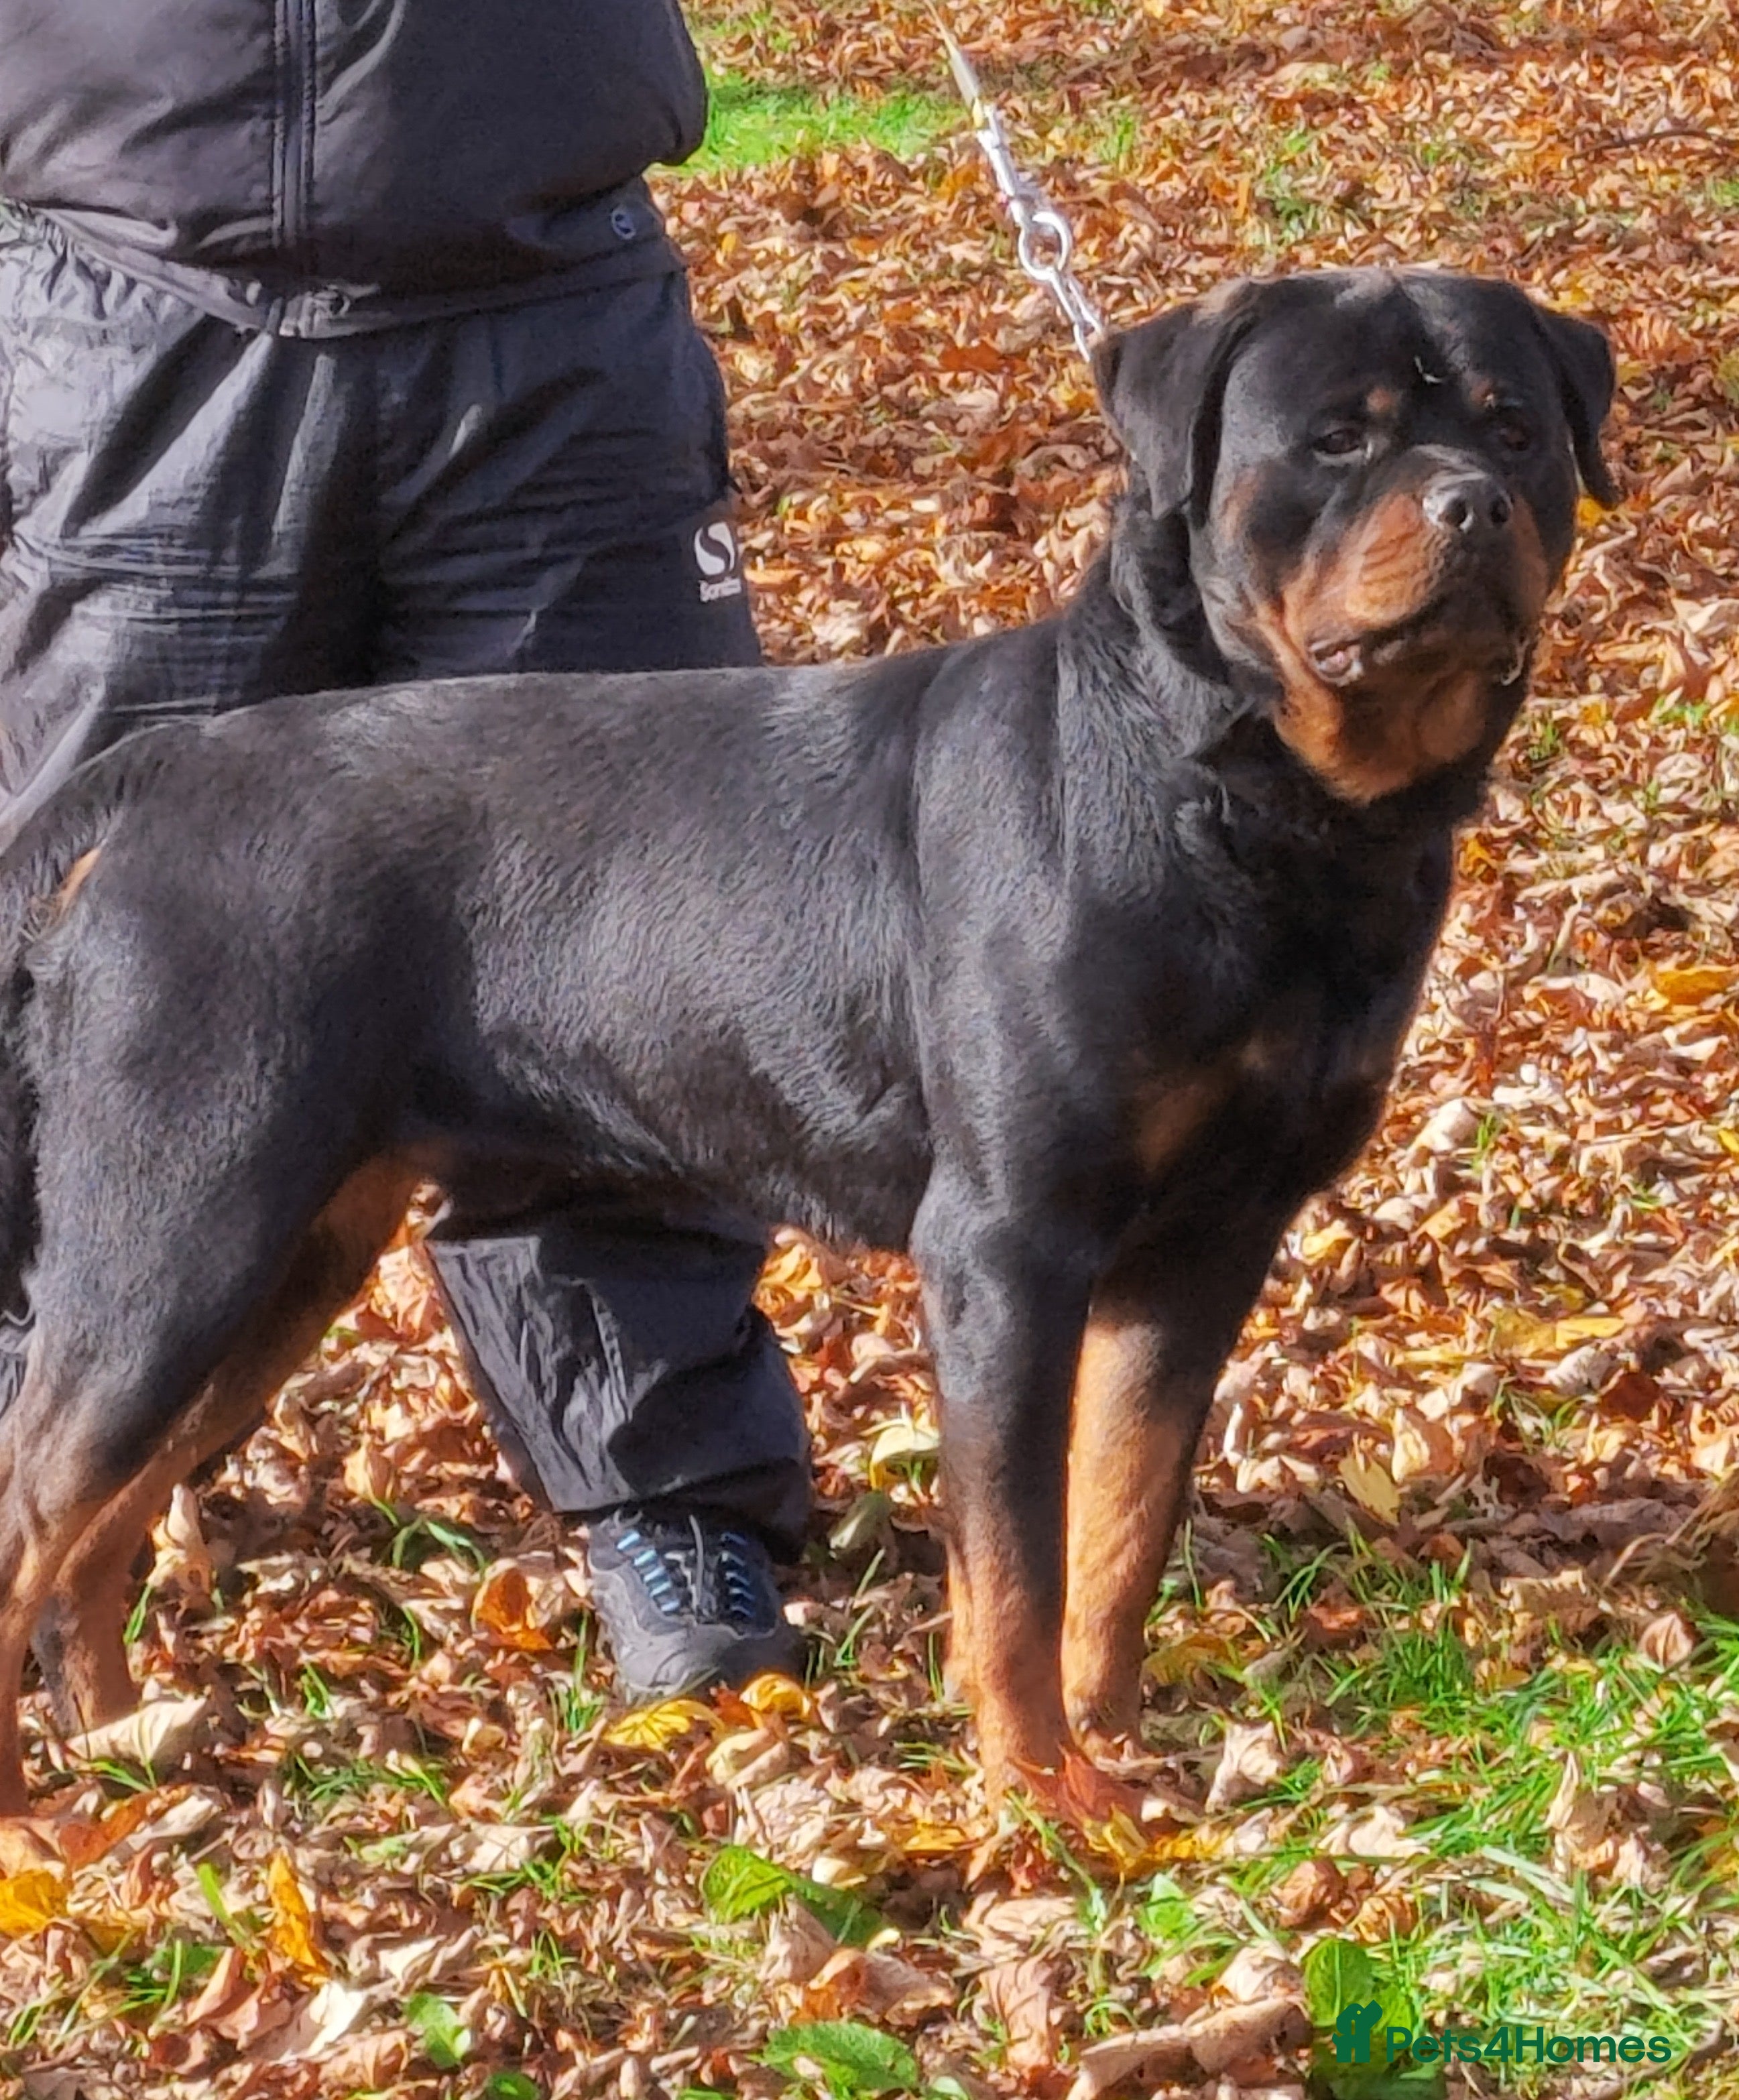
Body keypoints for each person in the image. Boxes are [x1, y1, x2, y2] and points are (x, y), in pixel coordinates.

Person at [0, 0, 809, 1699]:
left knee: (632, 937)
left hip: (547, 292)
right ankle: (45, 1452)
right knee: (86, 962)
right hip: (131, 281)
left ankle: (665, 1482)